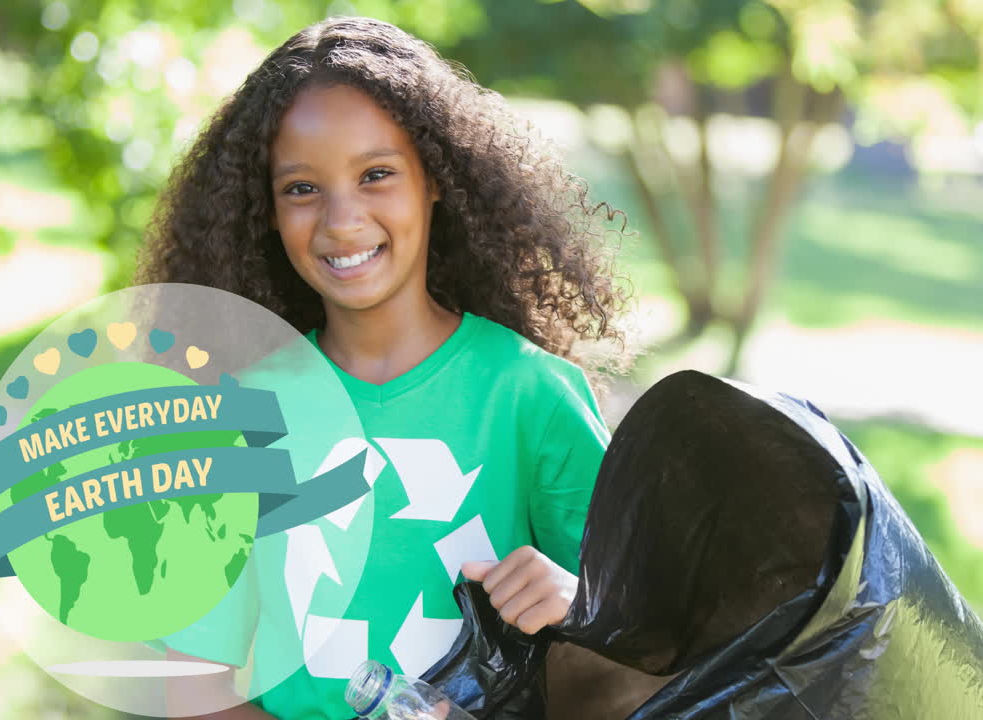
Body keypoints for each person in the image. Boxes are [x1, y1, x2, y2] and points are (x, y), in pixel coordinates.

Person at [137, 15, 634, 720]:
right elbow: (192, 686)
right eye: (301, 189)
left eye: (376, 175)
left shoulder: (530, 395)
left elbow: (645, 654)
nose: (342, 220)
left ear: (437, 180)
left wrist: (577, 607)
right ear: (266, 216)